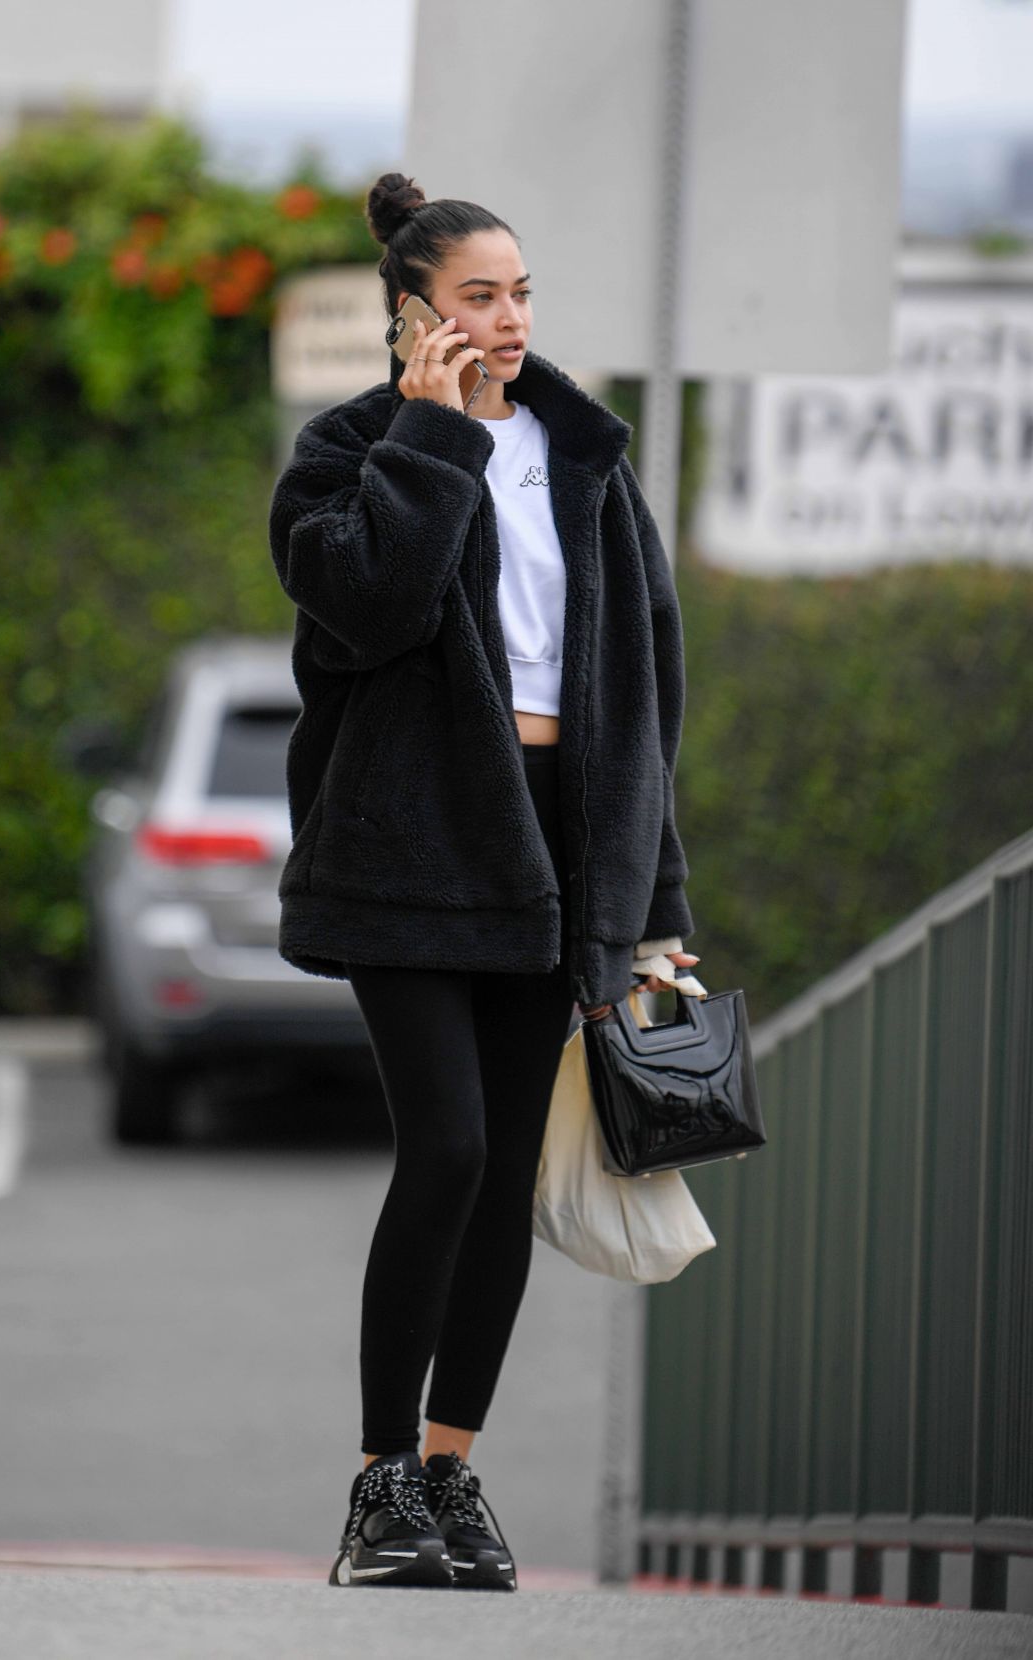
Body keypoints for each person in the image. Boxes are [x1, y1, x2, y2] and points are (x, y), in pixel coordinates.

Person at [268, 172, 701, 1591]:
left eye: (521, 294)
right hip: (410, 839)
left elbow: (642, 699)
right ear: (415, 314)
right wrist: (433, 432)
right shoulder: (344, 453)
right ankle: (379, 1479)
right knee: (445, 1147)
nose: (509, 320)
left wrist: (657, 917)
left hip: (557, 847)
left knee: (504, 1172)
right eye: (478, 296)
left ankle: (450, 1477)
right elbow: (374, 601)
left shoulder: (590, 464)